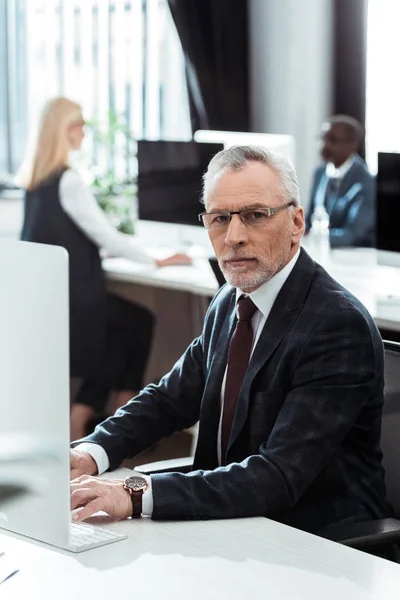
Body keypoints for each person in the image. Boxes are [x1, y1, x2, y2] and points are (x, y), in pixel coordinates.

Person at [70, 145, 391, 545]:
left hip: (315, 538)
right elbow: (168, 400)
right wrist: (90, 452)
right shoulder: (231, 300)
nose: (233, 236)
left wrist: (135, 495)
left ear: (295, 222)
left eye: (255, 215)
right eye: (220, 218)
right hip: (229, 519)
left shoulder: (336, 324)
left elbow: (277, 476)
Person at [18, 97, 191, 441]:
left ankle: (107, 415)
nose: (85, 132)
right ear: (66, 131)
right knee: (137, 324)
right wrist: (157, 260)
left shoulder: (35, 180)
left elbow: (66, 235)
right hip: (74, 303)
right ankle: (110, 417)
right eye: (80, 125)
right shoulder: (69, 181)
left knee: (128, 326)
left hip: (48, 299)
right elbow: (107, 236)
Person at [306, 115, 375, 247]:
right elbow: (309, 219)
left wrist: (311, 236)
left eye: (332, 140)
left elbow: (353, 234)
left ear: (352, 145)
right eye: (322, 139)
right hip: (319, 251)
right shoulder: (320, 172)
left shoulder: (367, 181)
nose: (324, 145)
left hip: (352, 257)